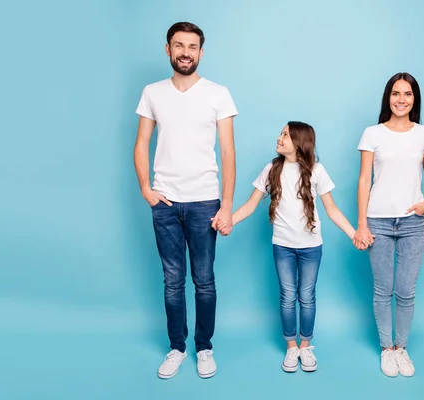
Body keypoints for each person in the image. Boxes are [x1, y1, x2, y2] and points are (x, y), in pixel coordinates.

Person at [215, 121, 365, 373]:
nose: (279, 137)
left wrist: (354, 234)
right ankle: (291, 347)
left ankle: (305, 347)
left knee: (306, 296)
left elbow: (332, 209)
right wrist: (228, 220)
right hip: (282, 246)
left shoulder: (317, 170)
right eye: (281, 133)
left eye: (285, 134)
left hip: (311, 247)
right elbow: (251, 205)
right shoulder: (271, 169)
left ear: (299, 142)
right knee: (287, 296)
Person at [133, 21, 237, 380]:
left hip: (206, 201)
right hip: (165, 202)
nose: (186, 52)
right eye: (179, 45)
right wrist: (147, 188)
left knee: (204, 280)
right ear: (168, 49)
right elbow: (141, 144)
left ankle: (204, 347)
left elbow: (227, 152)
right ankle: (177, 347)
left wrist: (226, 206)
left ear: (201, 52)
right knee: (172, 280)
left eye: (192, 46)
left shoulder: (218, 93)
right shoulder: (152, 92)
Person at [354, 72, 424, 377]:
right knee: (383, 288)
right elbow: (364, 181)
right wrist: (362, 224)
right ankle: (386, 349)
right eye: (396, 94)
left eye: (408, 94)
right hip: (377, 220)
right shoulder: (372, 134)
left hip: (414, 222)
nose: (401, 100)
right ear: (387, 97)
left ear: (414, 99)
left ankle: (401, 348)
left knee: (405, 290)